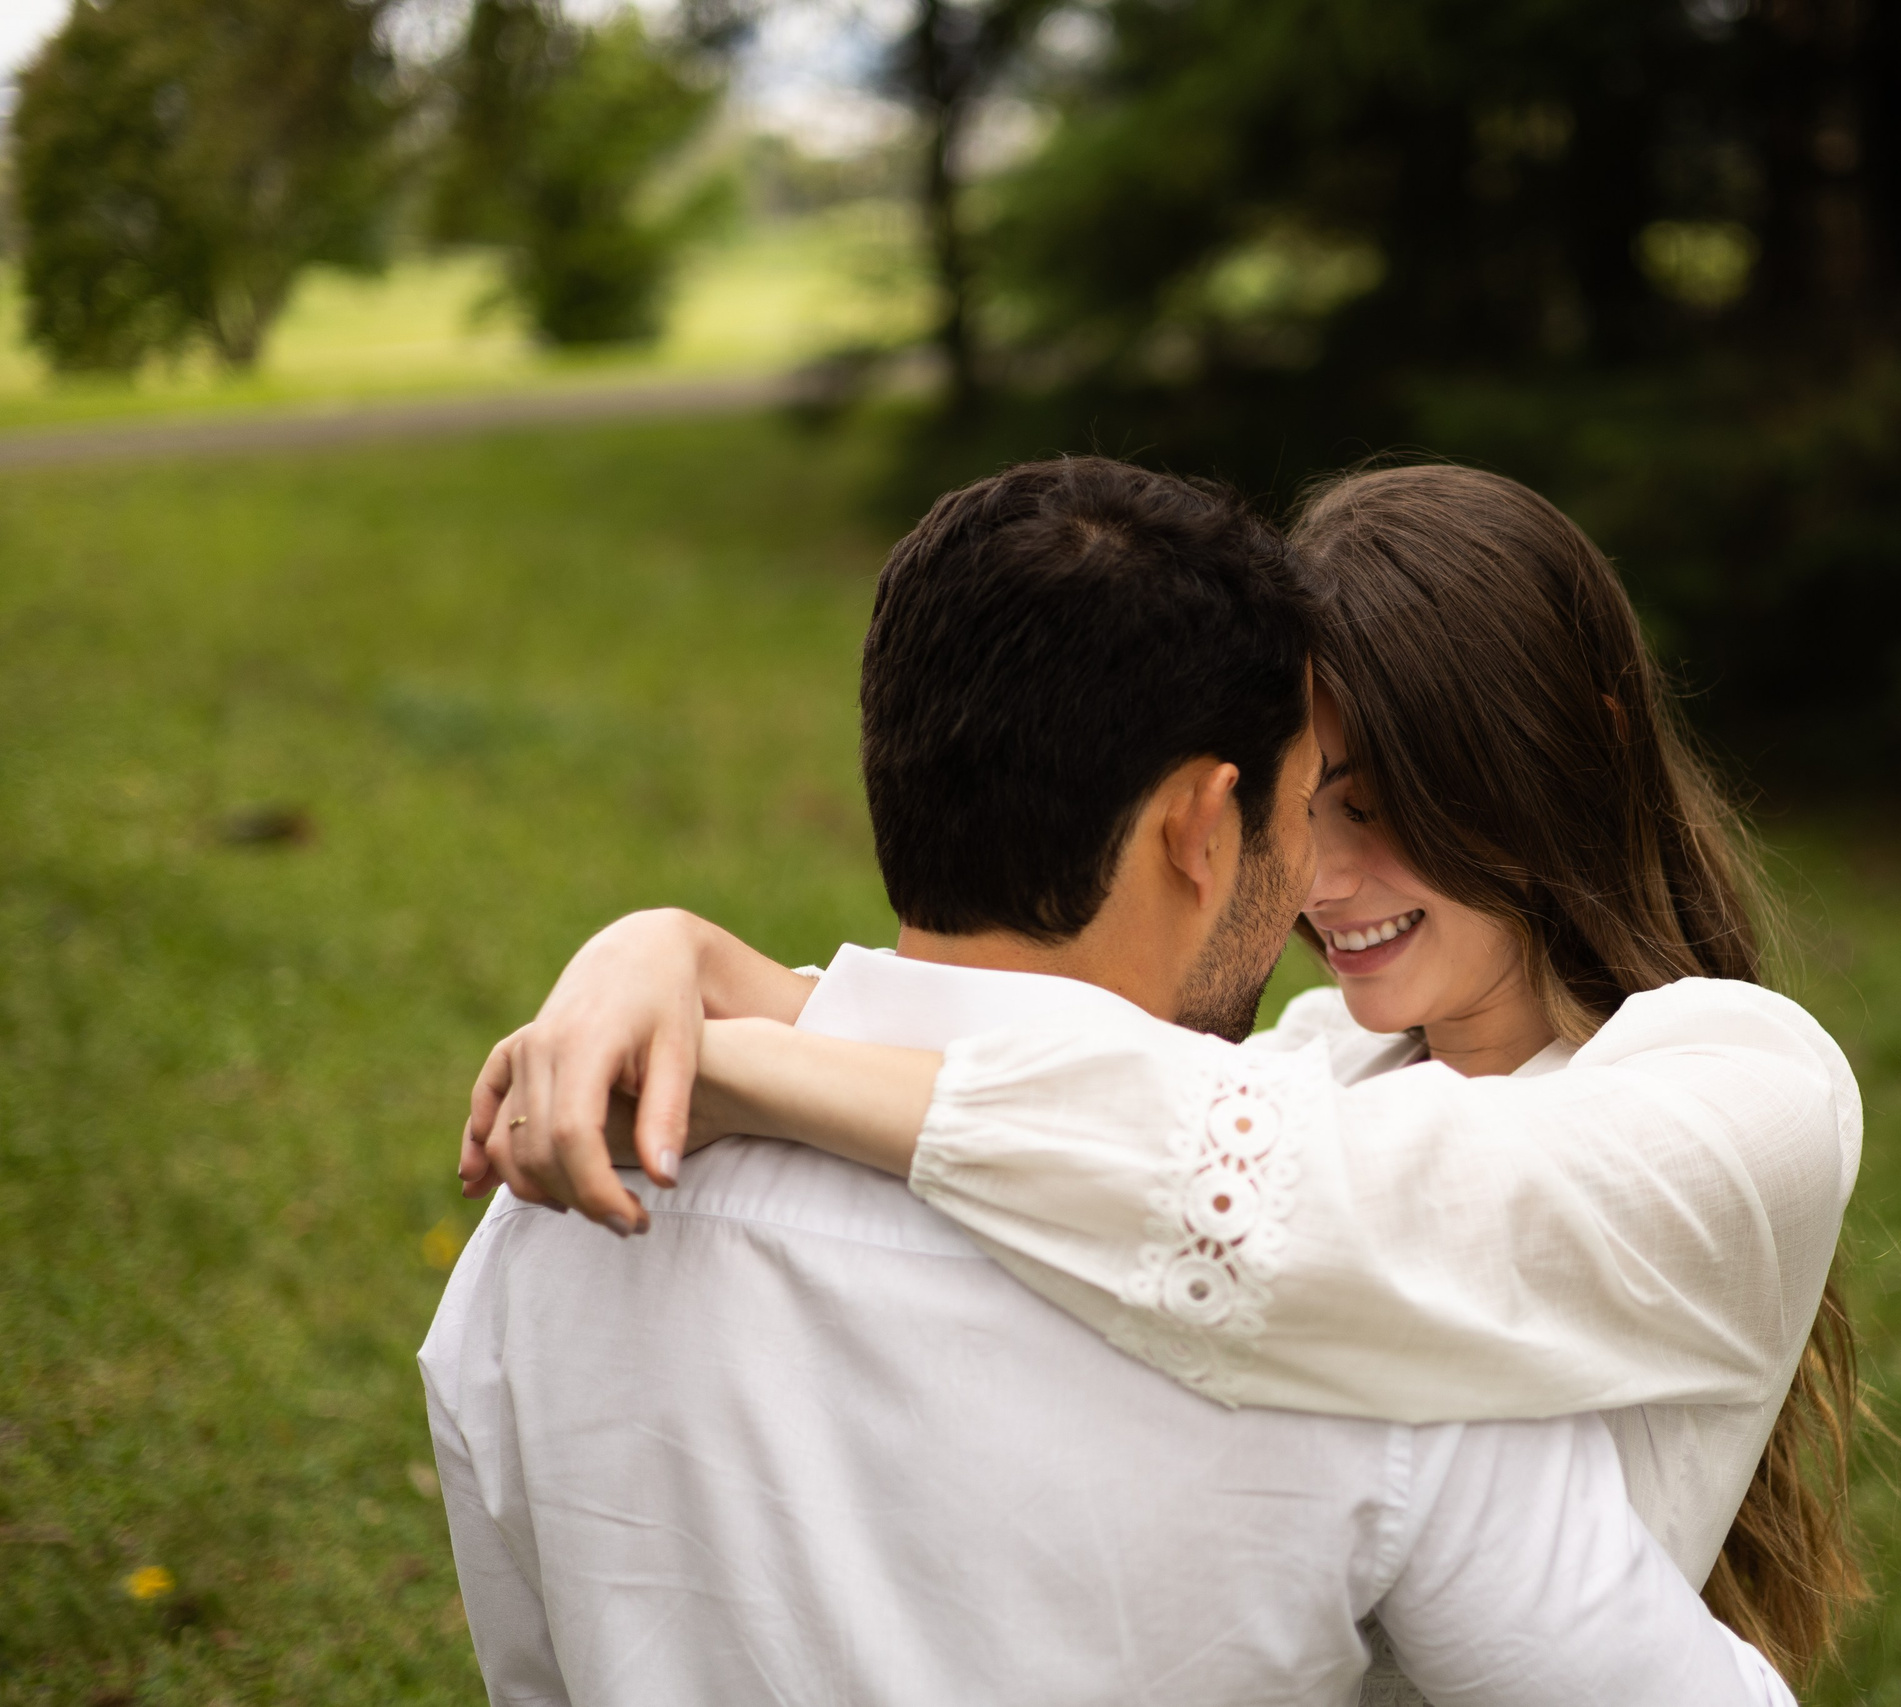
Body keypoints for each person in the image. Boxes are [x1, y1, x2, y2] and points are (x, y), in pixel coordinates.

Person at [424, 456, 1792, 1706]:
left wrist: (719, 1012)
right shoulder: (1367, 1339)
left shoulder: (539, 1226)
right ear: (1207, 825)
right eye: (1313, 802)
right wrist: (704, 995)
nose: (1321, 875)